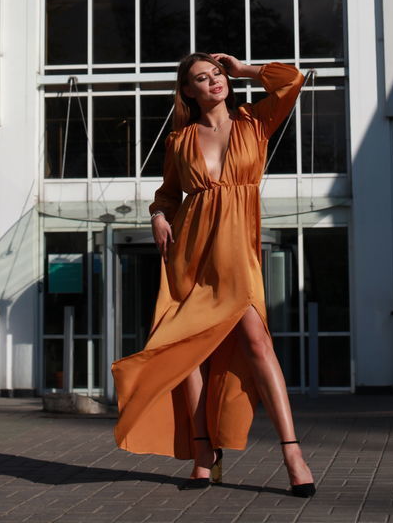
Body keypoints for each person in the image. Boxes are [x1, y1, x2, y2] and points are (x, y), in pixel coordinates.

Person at [112, 52, 316, 496]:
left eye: (217, 74)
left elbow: (291, 80)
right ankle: (203, 453)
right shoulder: (179, 140)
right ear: (188, 91)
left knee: (258, 343)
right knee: (187, 349)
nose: (213, 82)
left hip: (238, 252)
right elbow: (167, 193)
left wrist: (244, 69)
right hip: (191, 254)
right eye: (201, 79)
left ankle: (292, 451)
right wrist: (159, 215)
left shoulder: (254, 122)